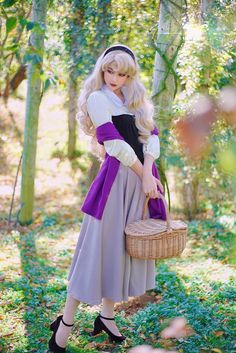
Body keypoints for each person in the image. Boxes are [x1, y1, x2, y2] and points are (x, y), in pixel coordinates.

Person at [48, 43, 166, 353]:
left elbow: (151, 137)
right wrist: (144, 175)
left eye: (122, 73)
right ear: (102, 69)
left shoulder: (135, 100)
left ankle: (106, 315)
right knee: (95, 251)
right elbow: (115, 144)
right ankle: (65, 325)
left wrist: (149, 174)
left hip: (140, 182)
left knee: (120, 250)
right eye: (109, 70)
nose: (114, 77)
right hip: (116, 182)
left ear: (130, 76)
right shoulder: (98, 99)